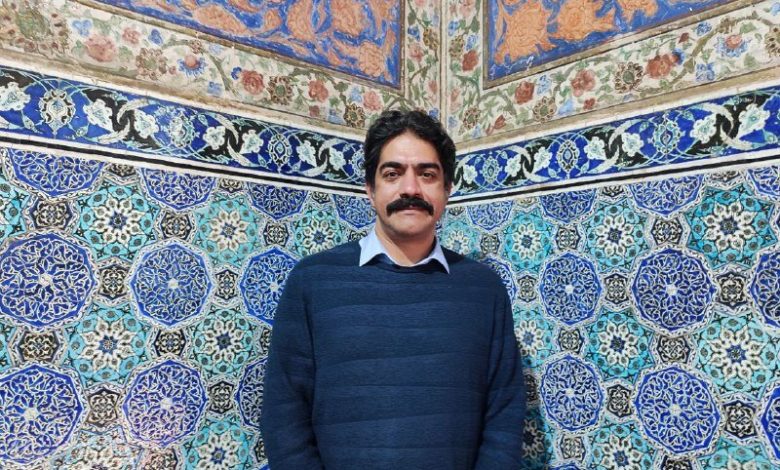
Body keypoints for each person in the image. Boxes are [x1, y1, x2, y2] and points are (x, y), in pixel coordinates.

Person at [261, 109, 526, 469]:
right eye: (392, 173)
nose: (410, 189)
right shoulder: (312, 281)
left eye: (427, 174)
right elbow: (284, 416)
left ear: (447, 189)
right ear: (370, 190)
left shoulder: (484, 289)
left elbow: (504, 416)